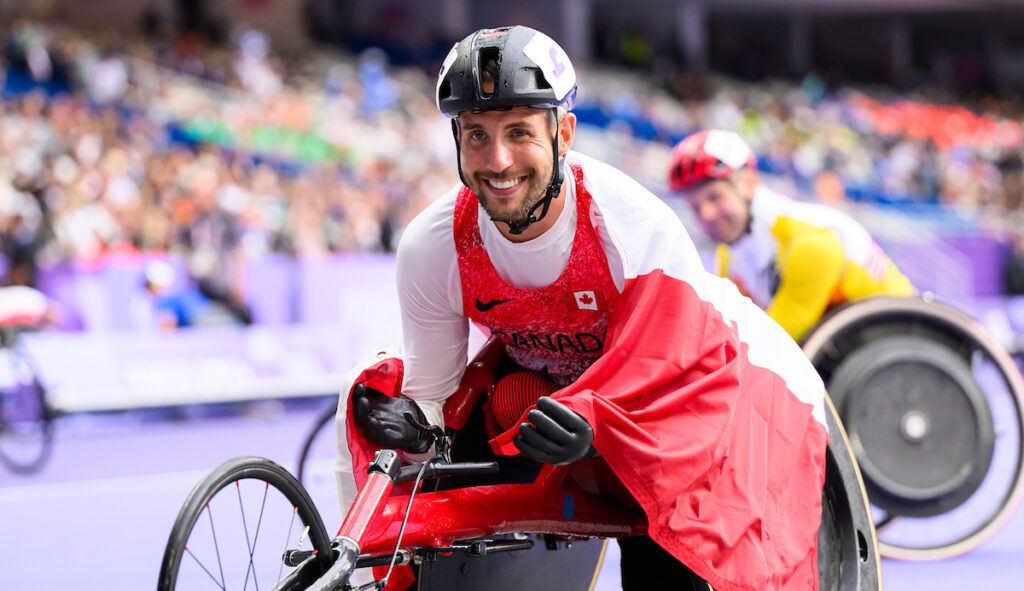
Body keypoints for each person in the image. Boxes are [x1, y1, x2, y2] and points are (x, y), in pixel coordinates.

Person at [336, 26, 831, 591]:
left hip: (716, 386)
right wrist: (417, 428)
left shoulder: (633, 228)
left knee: (669, 561)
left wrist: (600, 423)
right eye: (476, 135)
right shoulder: (432, 244)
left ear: (563, 133)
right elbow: (433, 394)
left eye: (519, 132)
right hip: (557, 402)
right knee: (388, 396)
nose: (497, 163)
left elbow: (685, 381)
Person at [668, 129, 915, 342]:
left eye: (714, 197)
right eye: (695, 206)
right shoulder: (727, 257)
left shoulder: (809, 242)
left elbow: (769, 349)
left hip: (908, 342)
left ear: (748, 183)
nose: (707, 214)